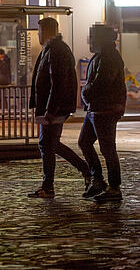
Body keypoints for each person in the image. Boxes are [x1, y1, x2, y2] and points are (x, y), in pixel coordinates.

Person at [27, 17, 88, 198]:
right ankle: (85, 171)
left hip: (53, 108)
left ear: (45, 32)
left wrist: (50, 110)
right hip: (52, 106)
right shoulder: (53, 49)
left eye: (38, 32)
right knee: (50, 144)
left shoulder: (56, 50)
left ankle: (51, 185)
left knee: (47, 144)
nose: (37, 35)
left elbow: (58, 83)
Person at [79, 24, 127, 202]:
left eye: (92, 37)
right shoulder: (101, 55)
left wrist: (85, 92)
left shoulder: (108, 57)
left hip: (105, 108)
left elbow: (101, 83)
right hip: (96, 108)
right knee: (84, 142)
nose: (89, 41)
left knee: (107, 149)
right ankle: (98, 180)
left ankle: (114, 187)